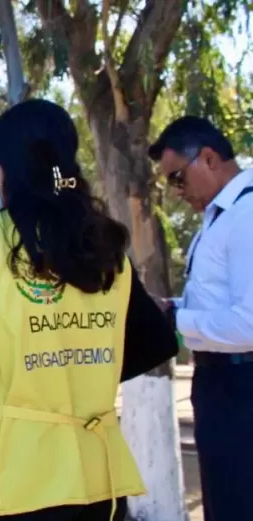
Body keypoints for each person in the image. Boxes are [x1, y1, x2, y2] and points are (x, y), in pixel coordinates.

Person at [0, 99, 179, 521]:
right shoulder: (104, 244)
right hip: (98, 479)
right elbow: (153, 343)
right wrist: (78, 369)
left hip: (13, 479)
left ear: (0, 169)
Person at [148, 116, 253, 521]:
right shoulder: (219, 217)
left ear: (208, 158)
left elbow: (248, 323)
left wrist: (177, 318)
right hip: (220, 385)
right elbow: (216, 302)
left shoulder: (245, 216)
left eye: (177, 177)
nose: (177, 192)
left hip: (241, 387)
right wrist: (170, 307)